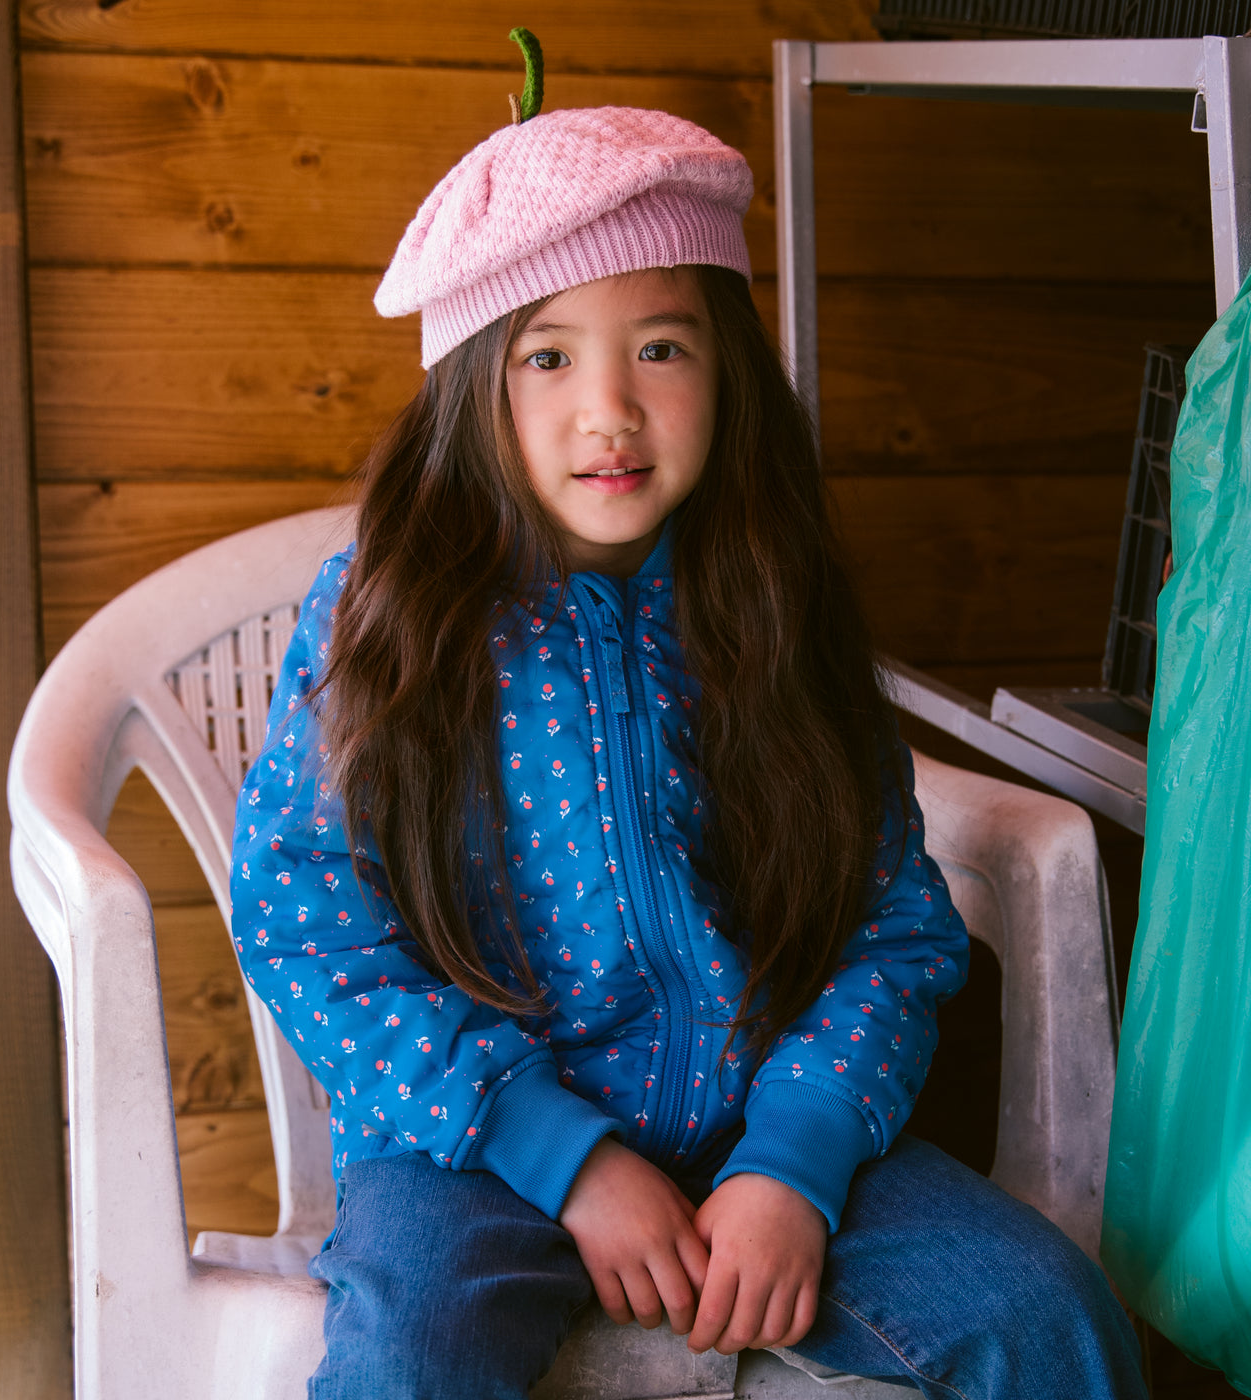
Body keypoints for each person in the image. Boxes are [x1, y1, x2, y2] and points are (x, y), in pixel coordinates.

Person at [229, 95, 1145, 1400]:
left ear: (729, 371)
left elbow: (891, 925)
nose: (611, 410)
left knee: (1049, 1316)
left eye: (660, 348)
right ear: (468, 385)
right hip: (470, 1148)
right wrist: (562, 1156)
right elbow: (304, 917)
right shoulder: (389, 621)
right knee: (408, 1359)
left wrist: (796, 1161)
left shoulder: (774, 603)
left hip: (760, 1128)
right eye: (547, 358)